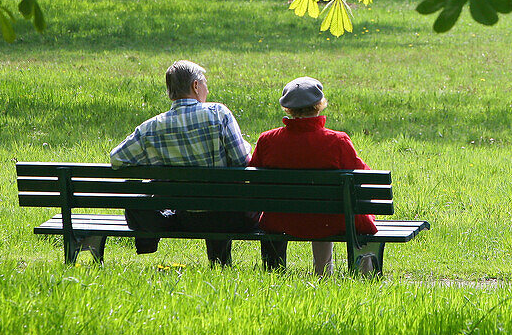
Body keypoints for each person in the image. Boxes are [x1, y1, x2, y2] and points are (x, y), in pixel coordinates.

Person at [110, 60, 257, 265]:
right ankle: (221, 264)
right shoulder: (218, 113)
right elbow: (242, 162)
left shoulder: (151, 127)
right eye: (205, 83)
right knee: (222, 201)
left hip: (185, 217)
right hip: (228, 215)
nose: (207, 88)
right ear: (195, 86)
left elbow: (117, 158)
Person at [249, 77, 377, 274]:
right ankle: (330, 273)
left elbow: (253, 176)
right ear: (319, 105)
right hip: (330, 220)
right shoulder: (337, 141)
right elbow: (362, 176)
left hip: (281, 219)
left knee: (320, 214)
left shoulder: (268, 140)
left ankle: (282, 273)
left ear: (288, 108)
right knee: (334, 214)